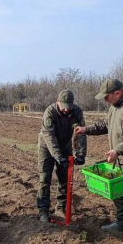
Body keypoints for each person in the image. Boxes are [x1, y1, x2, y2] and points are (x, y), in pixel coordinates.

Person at [76, 79, 123, 244]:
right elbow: (106, 125)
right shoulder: (114, 107)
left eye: (106, 97)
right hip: (119, 159)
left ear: (117, 93)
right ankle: (122, 223)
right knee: (119, 193)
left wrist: (118, 150)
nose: (105, 101)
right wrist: (85, 130)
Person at [37, 90, 87, 222]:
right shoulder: (50, 112)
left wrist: (81, 154)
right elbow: (49, 136)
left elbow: (81, 133)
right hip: (47, 147)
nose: (66, 109)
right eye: (63, 106)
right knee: (45, 178)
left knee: (64, 178)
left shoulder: (76, 111)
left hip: (65, 146)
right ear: (57, 102)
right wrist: (58, 156)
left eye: (68, 106)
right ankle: (43, 211)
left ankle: (61, 208)